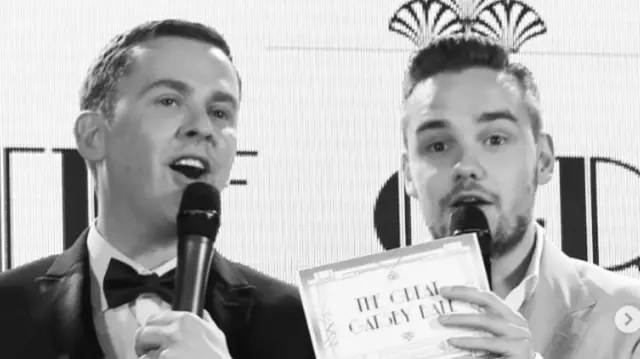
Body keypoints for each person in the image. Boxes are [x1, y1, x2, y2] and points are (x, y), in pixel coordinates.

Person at [0, 19, 315, 359]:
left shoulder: (302, 325)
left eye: (220, 111)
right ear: (93, 136)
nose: (203, 127)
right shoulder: (6, 309)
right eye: (169, 101)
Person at [400, 34, 640, 358]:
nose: (466, 166)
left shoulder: (630, 320)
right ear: (408, 176)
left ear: (542, 160)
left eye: (495, 139)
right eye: (438, 145)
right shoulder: (340, 329)